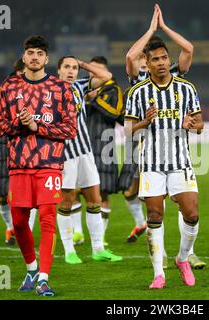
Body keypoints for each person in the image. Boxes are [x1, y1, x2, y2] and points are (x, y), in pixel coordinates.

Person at [123, 4, 206, 270]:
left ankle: (188, 253)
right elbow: (130, 57)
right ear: (146, 63)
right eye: (153, 59)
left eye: (163, 59)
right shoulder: (137, 84)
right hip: (148, 155)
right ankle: (162, 258)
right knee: (157, 210)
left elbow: (189, 49)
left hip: (179, 156)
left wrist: (165, 27)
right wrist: (150, 29)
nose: (160, 63)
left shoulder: (180, 82)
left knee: (187, 206)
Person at [0, 35, 77, 296]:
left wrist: (37, 125)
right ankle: (31, 268)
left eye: (40, 53)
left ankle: (43, 278)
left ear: (47, 59)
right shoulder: (8, 88)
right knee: (19, 222)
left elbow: (70, 129)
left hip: (49, 164)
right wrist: (19, 123)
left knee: (47, 218)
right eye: (30, 53)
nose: (35, 57)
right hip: (19, 164)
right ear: (24, 56)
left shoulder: (61, 88)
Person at [56, 55, 122, 264]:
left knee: (95, 200)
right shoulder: (50, 91)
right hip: (65, 156)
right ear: (58, 70)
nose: (71, 71)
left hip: (86, 153)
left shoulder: (80, 86)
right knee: (66, 203)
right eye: (66, 67)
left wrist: (84, 65)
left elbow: (107, 75)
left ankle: (98, 249)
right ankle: (69, 252)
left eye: (74, 68)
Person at [0, 59, 39, 245]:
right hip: (6, 145)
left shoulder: (37, 90)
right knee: (2, 193)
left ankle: (25, 231)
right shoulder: (2, 91)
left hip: (29, 145)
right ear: (17, 72)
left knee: (28, 191)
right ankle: (10, 226)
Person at [84, 56, 124, 244]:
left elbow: (115, 114)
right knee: (73, 190)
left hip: (104, 147)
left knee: (104, 192)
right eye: (91, 70)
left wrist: (95, 100)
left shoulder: (113, 90)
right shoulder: (80, 89)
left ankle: (101, 237)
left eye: (98, 70)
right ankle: (76, 232)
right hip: (81, 146)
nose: (94, 73)